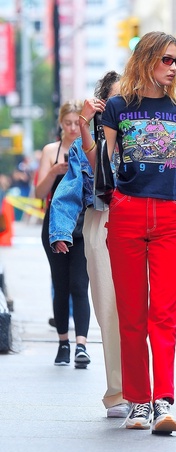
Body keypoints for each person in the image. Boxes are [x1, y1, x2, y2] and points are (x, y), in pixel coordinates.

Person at [84, 31, 176, 434]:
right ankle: (137, 402)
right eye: (166, 59)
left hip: (170, 216)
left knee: (164, 313)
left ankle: (163, 401)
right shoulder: (117, 107)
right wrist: (88, 123)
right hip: (129, 213)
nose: (172, 67)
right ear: (148, 58)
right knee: (131, 313)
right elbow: (102, 160)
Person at [49, 71, 130, 418]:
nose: (122, 103)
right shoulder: (90, 140)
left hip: (139, 222)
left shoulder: (142, 130)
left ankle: (147, 389)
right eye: (114, 98)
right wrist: (61, 232)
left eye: (127, 96)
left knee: (142, 310)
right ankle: (118, 393)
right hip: (102, 223)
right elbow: (69, 191)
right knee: (109, 311)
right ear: (101, 103)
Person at [35, 100, 91, 369]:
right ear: (61, 123)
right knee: (61, 284)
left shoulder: (88, 146)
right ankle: (63, 343)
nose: (72, 128)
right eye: (67, 123)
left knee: (80, 284)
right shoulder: (51, 151)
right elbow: (38, 192)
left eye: (75, 123)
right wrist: (55, 171)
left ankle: (82, 344)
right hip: (54, 225)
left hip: (82, 225)